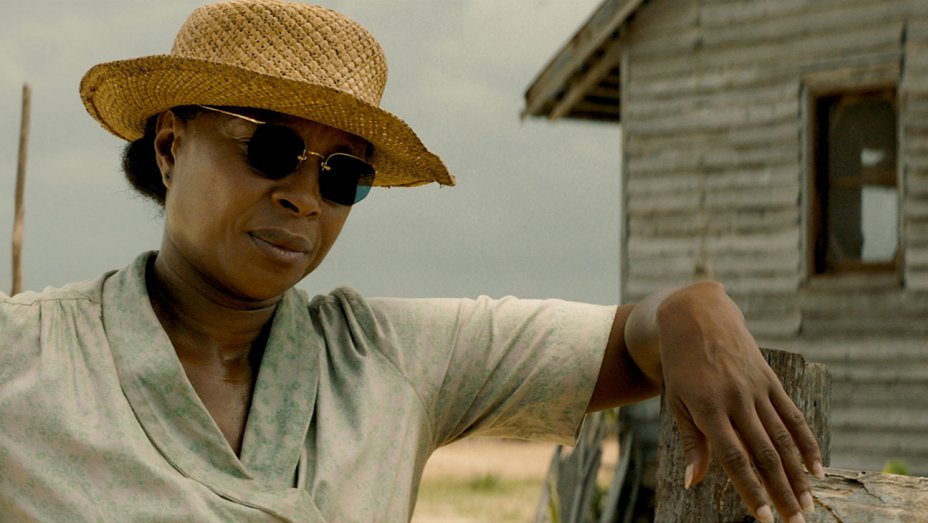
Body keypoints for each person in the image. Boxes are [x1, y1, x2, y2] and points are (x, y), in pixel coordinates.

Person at [0, 1, 822, 522]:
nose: (304, 197)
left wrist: (690, 309)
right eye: (272, 148)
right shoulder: (26, 360)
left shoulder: (390, 361)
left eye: (342, 175)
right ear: (171, 145)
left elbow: (628, 341)